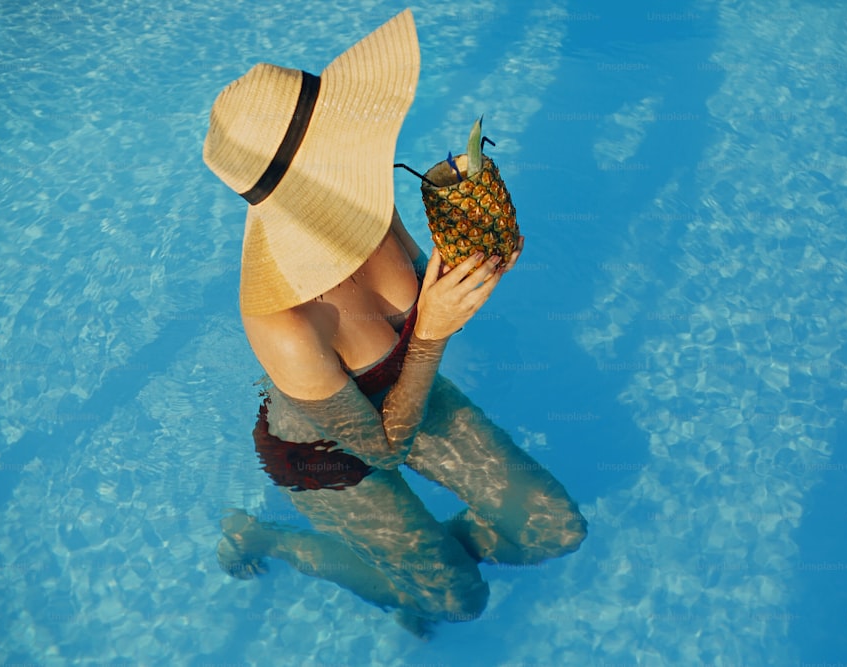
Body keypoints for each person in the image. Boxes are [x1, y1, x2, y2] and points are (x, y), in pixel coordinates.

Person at [203, 9, 586, 636]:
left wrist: (474, 270)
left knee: (555, 530)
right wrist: (433, 331)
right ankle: (270, 539)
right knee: (460, 601)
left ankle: (421, 553)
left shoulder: (366, 208)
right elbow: (380, 450)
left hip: (410, 391)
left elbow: (425, 309)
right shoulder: (282, 320)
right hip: (329, 456)